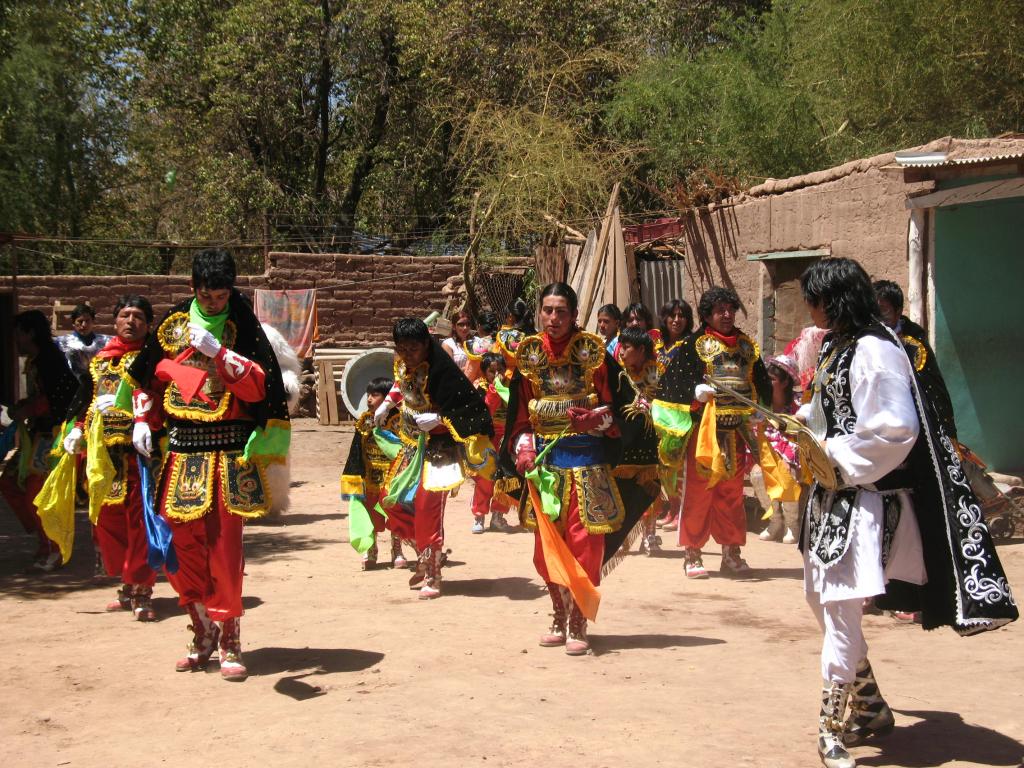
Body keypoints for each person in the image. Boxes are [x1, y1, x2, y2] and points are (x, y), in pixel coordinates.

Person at [797, 258, 1017, 768]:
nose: (809, 308)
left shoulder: (875, 351)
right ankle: (871, 705)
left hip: (865, 502)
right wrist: (802, 425)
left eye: (814, 298)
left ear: (834, 299)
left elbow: (895, 429)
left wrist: (834, 456)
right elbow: (830, 409)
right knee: (822, 605)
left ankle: (831, 727)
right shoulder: (838, 346)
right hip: (829, 502)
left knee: (841, 612)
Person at [127, 249, 291, 681]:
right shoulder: (172, 325)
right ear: (192, 289)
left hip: (228, 457)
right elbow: (146, 380)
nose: (215, 302)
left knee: (224, 551)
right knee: (182, 552)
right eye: (207, 294)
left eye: (221, 295)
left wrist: (221, 354)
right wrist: (142, 420)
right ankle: (202, 631)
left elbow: (261, 390)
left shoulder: (244, 328)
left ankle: (230, 638)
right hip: (182, 456)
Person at [504, 283, 638, 655]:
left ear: (575, 315)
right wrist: (525, 449)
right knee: (548, 547)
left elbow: (621, 410)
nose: (553, 318)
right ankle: (558, 613)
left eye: (561, 311)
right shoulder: (529, 356)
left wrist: (594, 420)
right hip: (546, 469)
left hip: (589, 465)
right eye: (547, 310)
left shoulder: (594, 354)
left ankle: (579, 617)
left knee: (585, 547)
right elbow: (519, 417)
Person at [652, 286, 771, 579]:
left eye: (730, 308)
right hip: (704, 435)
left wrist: (760, 408)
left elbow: (761, 382)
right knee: (699, 493)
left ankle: (731, 553)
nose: (727, 314)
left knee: (732, 496)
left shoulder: (746, 346)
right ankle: (692, 553)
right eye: (720, 310)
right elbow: (671, 388)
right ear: (707, 315)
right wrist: (695, 396)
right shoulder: (692, 346)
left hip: (736, 435)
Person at [375, 318, 495, 599]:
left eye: (413, 348)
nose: (408, 354)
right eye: (402, 349)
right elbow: (400, 384)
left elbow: (471, 409)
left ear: (426, 345)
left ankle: (433, 572)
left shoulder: (442, 372)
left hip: (440, 447)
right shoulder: (404, 365)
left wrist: (440, 418)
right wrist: (386, 404)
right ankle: (424, 552)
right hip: (411, 444)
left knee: (428, 507)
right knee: (388, 498)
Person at [63, 295, 159, 619]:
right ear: (115, 321)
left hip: (141, 457)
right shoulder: (101, 360)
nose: (130, 321)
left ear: (148, 325)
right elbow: (85, 398)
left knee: (141, 526)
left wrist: (139, 418)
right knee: (108, 523)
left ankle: (142, 590)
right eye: (124, 315)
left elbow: (161, 399)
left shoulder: (154, 360)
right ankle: (128, 582)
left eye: (138, 317)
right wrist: (77, 428)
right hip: (105, 458)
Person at [0, 311, 79, 571]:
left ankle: (55, 547)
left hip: (54, 435)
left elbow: (60, 397)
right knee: (10, 481)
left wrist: (30, 409)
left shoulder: (50, 359)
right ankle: (43, 540)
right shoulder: (35, 360)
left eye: (19, 333)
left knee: (39, 491)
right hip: (36, 435)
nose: (16, 339)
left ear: (30, 333)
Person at [873, 280, 957, 441]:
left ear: (898, 312)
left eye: (883, 311)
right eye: (873, 312)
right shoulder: (864, 339)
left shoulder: (915, 345)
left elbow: (934, 390)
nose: (877, 318)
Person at [340, 376, 408, 570]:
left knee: (396, 513)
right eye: (368, 394)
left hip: (394, 476)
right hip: (371, 477)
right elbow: (356, 450)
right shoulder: (365, 421)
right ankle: (371, 549)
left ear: (388, 397)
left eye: (375, 394)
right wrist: (354, 477)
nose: (369, 398)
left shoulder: (400, 421)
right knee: (370, 514)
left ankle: (397, 549)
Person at [611, 327, 664, 556]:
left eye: (627, 347)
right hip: (623, 441)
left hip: (650, 440)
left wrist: (652, 407)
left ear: (641, 350)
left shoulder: (659, 372)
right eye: (621, 347)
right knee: (620, 490)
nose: (622, 352)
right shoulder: (616, 373)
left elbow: (668, 403)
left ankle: (649, 534)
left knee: (650, 489)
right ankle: (620, 534)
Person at [654, 298, 694, 531]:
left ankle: (681, 512)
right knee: (664, 463)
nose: (677, 320)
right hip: (660, 410)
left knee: (679, 463)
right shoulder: (658, 346)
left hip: (682, 412)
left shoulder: (690, 344)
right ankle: (672, 507)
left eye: (682, 316)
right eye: (673, 316)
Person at [755, 353, 800, 545]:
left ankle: (792, 523)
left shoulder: (798, 405)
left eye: (772, 379)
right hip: (766, 451)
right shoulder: (761, 404)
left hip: (794, 452)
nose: (767, 382)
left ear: (784, 382)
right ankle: (775, 520)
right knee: (757, 474)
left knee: (787, 473)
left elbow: (801, 433)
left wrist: (788, 455)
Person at [471, 352, 514, 533]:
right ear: (484, 372)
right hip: (486, 438)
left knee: (505, 476)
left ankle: (498, 516)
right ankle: (479, 516)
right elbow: (486, 410)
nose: (496, 374)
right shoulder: (479, 388)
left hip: (507, 437)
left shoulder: (511, 386)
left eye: (500, 370)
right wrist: (495, 390)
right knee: (485, 478)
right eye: (491, 371)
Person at [57, 303, 113, 381]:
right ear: (73, 323)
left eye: (87, 321)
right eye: (80, 321)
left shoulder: (106, 342)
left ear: (93, 321)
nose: (84, 325)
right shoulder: (62, 343)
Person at [495, 298, 534, 378]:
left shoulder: (503, 336)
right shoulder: (534, 335)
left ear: (510, 316)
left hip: (510, 379)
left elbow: (496, 360)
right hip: (532, 379)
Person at [463, 310, 499, 383]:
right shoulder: (501, 344)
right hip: (500, 388)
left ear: (479, 326)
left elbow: (470, 373)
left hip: (481, 389)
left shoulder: (477, 347)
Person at [441, 309, 474, 376]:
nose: (465, 327)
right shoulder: (448, 344)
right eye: (461, 324)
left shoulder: (477, 341)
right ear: (453, 327)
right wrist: (471, 368)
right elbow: (450, 370)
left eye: (468, 324)